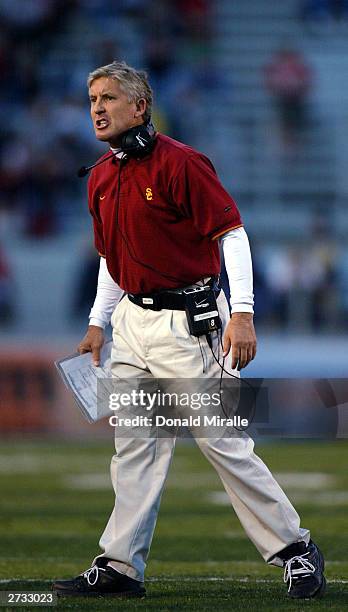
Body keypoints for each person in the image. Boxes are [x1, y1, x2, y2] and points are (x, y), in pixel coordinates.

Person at [53, 61, 326, 600]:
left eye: (109, 97)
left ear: (140, 107)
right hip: (132, 322)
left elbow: (232, 234)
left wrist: (242, 313)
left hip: (192, 320)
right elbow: (113, 258)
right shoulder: (103, 175)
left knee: (222, 440)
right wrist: (96, 322)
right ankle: (120, 566)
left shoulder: (180, 163)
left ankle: (296, 549)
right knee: (134, 446)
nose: (98, 108)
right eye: (91, 99)